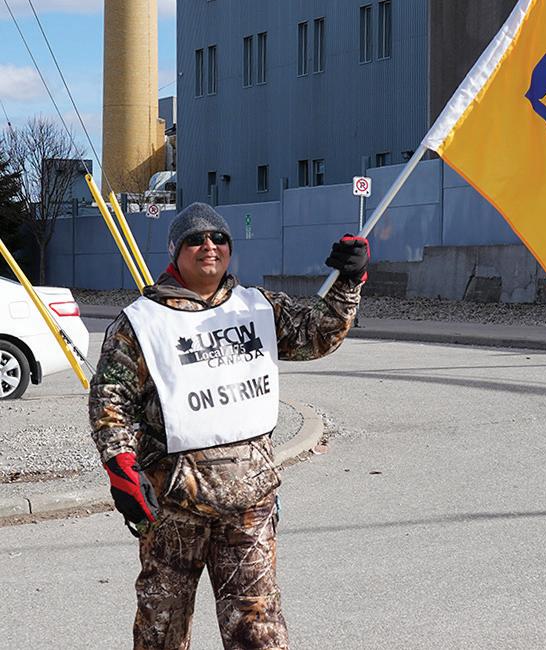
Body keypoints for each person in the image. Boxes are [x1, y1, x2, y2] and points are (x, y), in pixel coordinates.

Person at [88, 202, 368, 650]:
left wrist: (348, 281)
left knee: (258, 631)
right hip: (173, 506)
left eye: (218, 238)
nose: (209, 246)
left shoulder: (256, 307)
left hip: (249, 505)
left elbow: (317, 333)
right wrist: (121, 466)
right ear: (175, 251)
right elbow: (111, 398)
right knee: (162, 631)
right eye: (195, 239)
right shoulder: (141, 321)